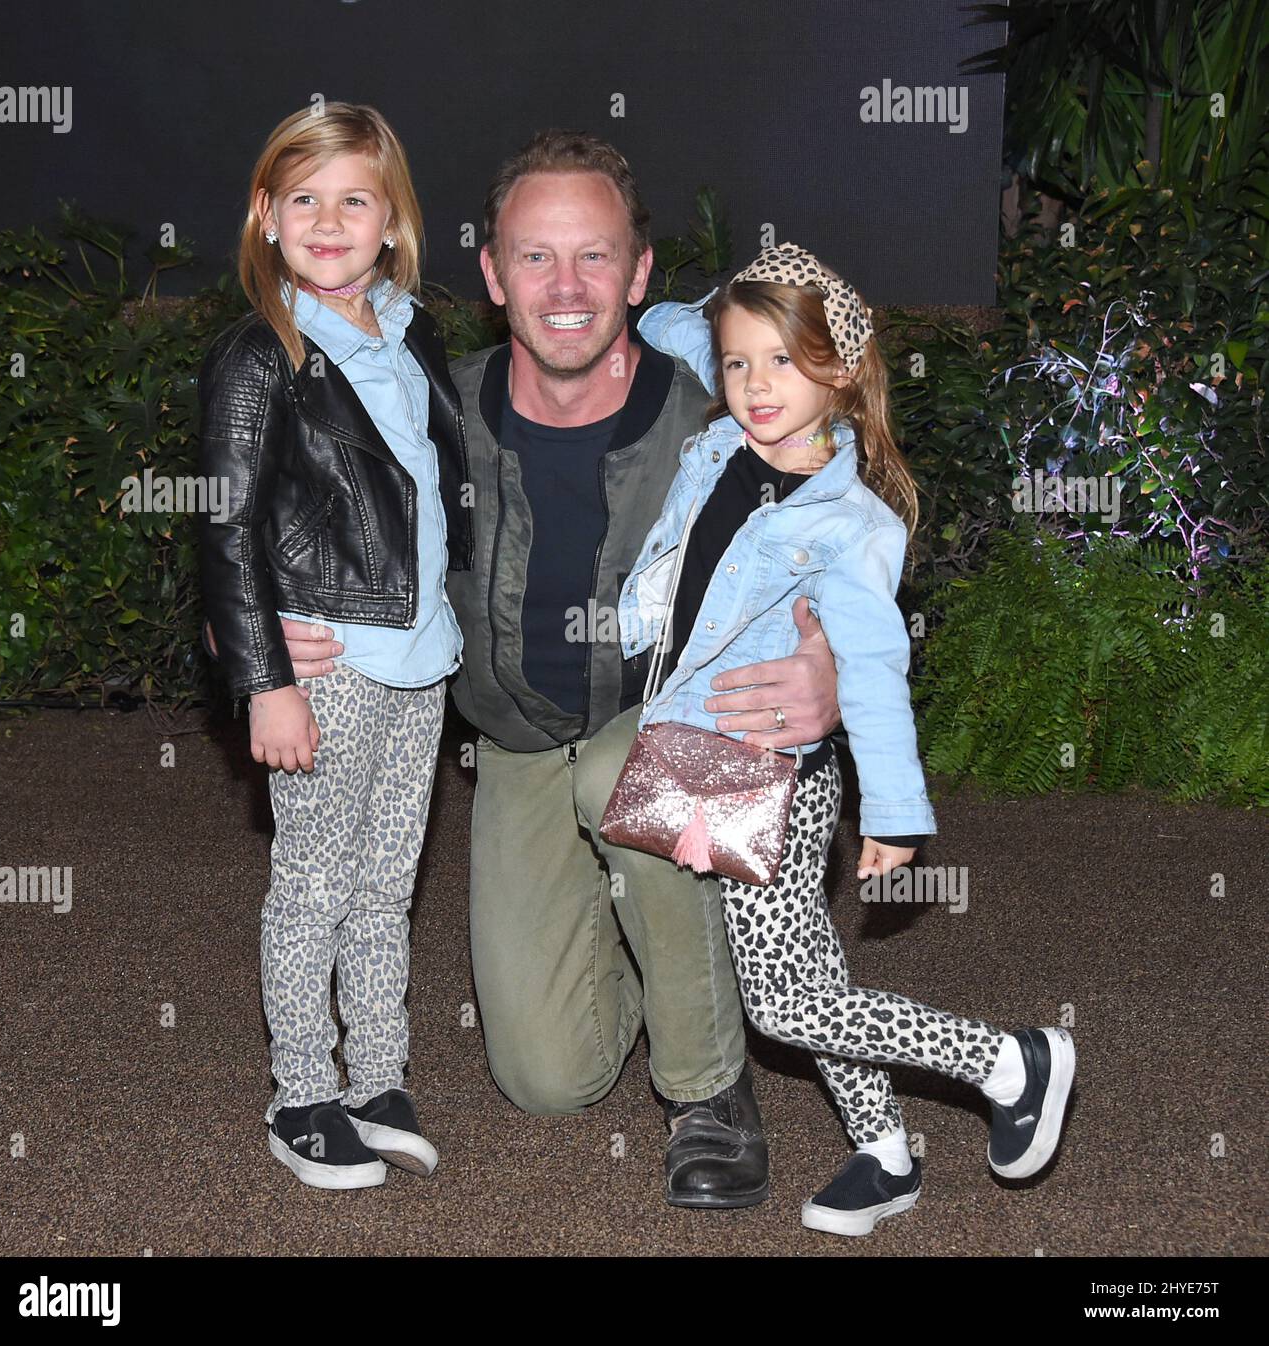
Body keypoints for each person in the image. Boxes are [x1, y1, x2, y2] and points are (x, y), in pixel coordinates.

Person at [279, 131, 844, 1209]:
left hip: (696, 728)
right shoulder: (428, 409)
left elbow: (851, 527)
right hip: (522, 740)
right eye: (535, 258)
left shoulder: (724, 412)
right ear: (492, 276)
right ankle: (664, 937)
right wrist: (259, 625)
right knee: (549, 1076)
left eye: (595, 257)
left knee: (620, 772)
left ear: (639, 272)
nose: (567, 287)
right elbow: (287, 512)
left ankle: (710, 1086)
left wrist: (820, 659)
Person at [621, 243, 1077, 1235]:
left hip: (775, 772)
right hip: (707, 750)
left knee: (782, 1005)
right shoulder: (731, 425)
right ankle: (883, 1151)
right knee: (810, 978)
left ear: (836, 369)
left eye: (781, 362)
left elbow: (872, 677)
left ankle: (1009, 1060)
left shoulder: (849, 521)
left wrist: (897, 812)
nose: (752, 385)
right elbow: (680, 330)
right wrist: (639, 298)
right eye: (739, 363)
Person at [197, 103, 472, 1190]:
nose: (327, 218)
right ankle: (301, 1091)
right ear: (265, 217)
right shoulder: (260, 353)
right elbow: (224, 523)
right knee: (312, 883)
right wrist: (262, 677)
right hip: (329, 664)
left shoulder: (413, 333)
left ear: (393, 221)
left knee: (385, 881)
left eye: (354, 198)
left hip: (421, 659)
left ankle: (379, 1076)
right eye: (301, 198)